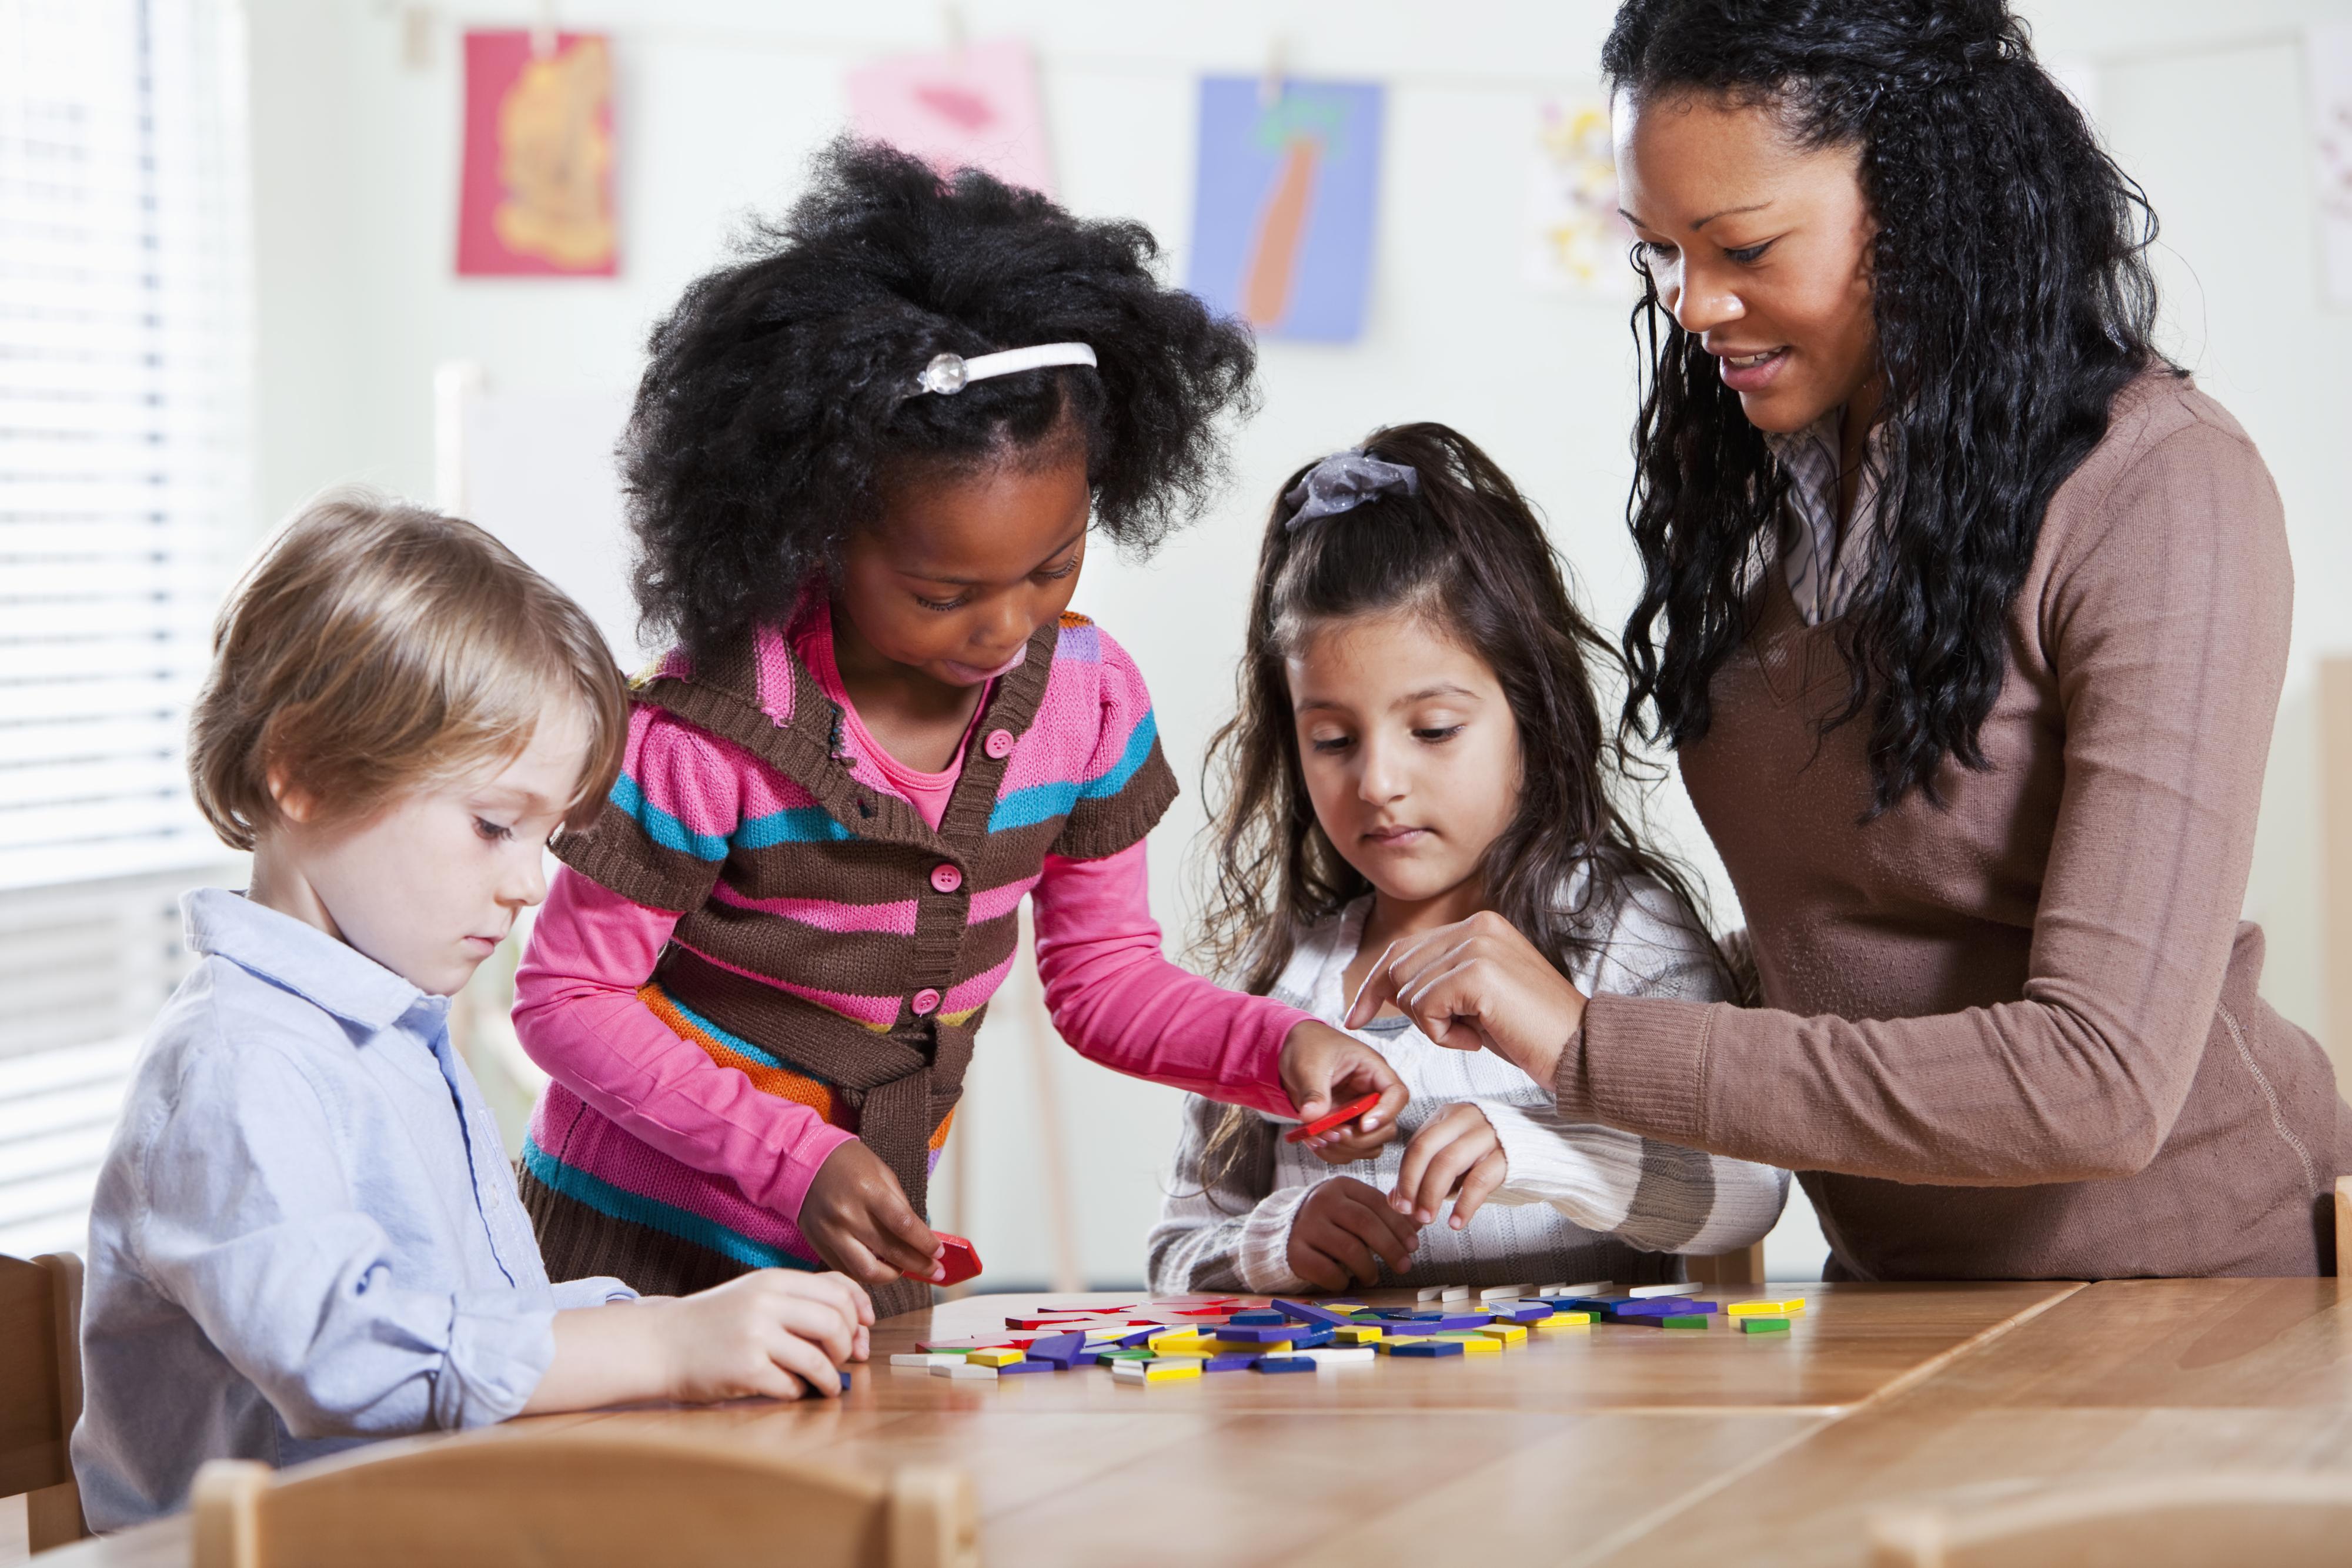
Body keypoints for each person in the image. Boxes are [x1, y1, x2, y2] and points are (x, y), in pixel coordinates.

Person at [1351, 0, 2350, 1280]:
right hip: (1887, 1294)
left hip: (2190, 1293)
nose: (1693, 302)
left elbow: (2098, 1081)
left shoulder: (2160, 492)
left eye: (1742, 245)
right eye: (1656, 249)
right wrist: (1505, 1039)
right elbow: (1828, 941)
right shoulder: (1767, 495)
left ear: (1925, 199)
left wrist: (1590, 1040)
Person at [513, 139, 1404, 1317]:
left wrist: (1274, 1051)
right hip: (621, 1263)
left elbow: (1101, 980)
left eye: (1050, 566)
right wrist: (795, 1158)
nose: (1003, 627)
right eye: (943, 592)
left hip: (854, 1265)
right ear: (816, 526)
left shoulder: (1087, 703)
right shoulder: (705, 732)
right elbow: (566, 1000)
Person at [73, 494, 874, 1533]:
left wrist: (688, 1331)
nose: (531, 885)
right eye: (495, 826)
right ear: (307, 774)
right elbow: (343, 1359)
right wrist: (663, 1348)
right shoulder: (242, 1065)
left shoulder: (385, 1032)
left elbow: (471, 1328)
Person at [1148, 426, 1785, 1295]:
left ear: (1531, 710)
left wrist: (1537, 1152)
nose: (1378, 782)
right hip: (1345, 1427)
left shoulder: (1619, 933)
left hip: (1592, 1425)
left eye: (1435, 731)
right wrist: (1276, 1241)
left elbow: (1750, 1193)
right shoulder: (1290, 984)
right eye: (1332, 740)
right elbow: (1176, 1251)